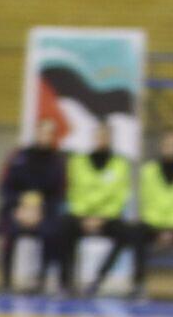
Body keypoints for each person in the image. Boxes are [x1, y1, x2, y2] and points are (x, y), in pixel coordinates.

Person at [87, 129, 173, 298]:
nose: (171, 148)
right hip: (153, 223)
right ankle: (135, 284)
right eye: (168, 144)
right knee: (133, 233)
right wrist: (161, 229)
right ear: (162, 146)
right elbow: (147, 203)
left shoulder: (121, 164)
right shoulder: (149, 171)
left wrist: (170, 229)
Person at [48, 123, 131, 296]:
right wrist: (84, 217)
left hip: (107, 218)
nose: (101, 139)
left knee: (126, 233)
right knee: (64, 227)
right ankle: (66, 282)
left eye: (105, 136)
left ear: (110, 139)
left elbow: (120, 195)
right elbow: (73, 192)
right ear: (93, 138)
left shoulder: (120, 164)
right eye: (98, 136)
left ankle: (98, 280)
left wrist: (102, 217)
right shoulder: (78, 162)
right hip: (82, 215)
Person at [0, 117, 66, 292]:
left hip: (44, 212)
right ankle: (5, 281)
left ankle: (40, 279)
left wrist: (39, 210)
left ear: (53, 137)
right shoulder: (19, 156)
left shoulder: (58, 161)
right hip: (18, 209)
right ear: (36, 133)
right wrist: (19, 207)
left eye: (49, 133)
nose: (44, 136)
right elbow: (5, 186)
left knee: (52, 232)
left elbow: (58, 194)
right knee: (8, 228)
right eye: (42, 132)